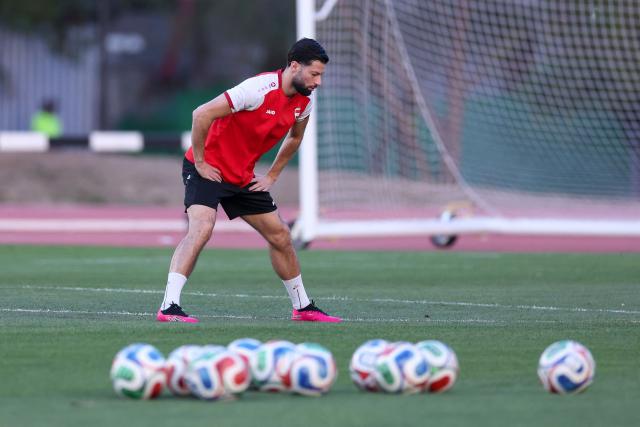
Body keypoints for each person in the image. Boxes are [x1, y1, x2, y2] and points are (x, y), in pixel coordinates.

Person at [157, 38, 342, 323]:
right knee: (201, 229)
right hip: (209, 169)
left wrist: (272, 175)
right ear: (294, 66)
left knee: (281, 236)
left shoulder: (304, 102)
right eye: (314, 74)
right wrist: (202, 162)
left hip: (242, 176)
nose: (318, 81)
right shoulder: (256, 90)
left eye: (321, 75)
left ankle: (303, 307)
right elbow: (201, 114)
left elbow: (295, 137)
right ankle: (169, 306)